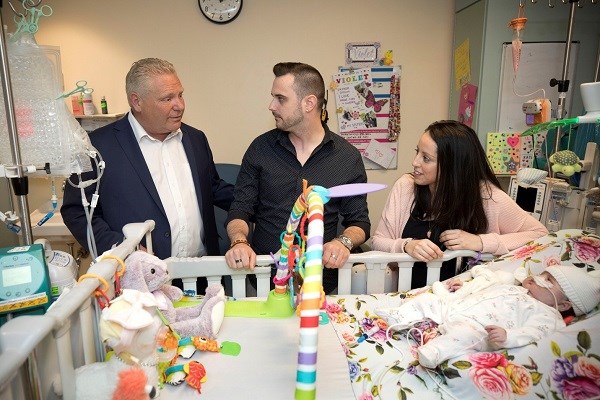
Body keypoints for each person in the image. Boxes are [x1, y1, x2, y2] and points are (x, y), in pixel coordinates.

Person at [61, 58, 234, 263]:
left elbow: (212, 188)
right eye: (167, 98)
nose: (179, 105)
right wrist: (122, 250)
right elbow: (78, 212)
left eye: (180, 95)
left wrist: (265, 200)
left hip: (202, 273)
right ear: (137, 101)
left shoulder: (195, 139)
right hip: (139, 279)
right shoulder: (97, 147)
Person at [224, 62, 371, 294]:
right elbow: (240, 211)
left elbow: (359, 223)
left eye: (280, 99)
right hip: (264, 280)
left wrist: (343, 243)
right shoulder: (260, 149)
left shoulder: (346, 157)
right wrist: (239, 241)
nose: (271, 106)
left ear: (309, 103)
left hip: (322, 283)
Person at [371, 120, 548, 288]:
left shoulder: (488, 197)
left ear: (452, 166)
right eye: (417, 152)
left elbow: (541, 235)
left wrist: (479, 241)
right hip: (406, 296)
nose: (415, 162)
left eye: (426, 158)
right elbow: (378, 242)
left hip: (461, 302)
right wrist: (406, 245)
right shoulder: (406, 187)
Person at [375, 265, 600, 369]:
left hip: (476, 326)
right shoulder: (515, 286)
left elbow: (533, 334)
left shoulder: (547, 314)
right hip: (457, 306)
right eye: (542, 274)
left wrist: (508, 336)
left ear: (563, 304)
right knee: (428, 301)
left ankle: (435, 351)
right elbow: (486, 286)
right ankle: (399, 316)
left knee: (465, 336)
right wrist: (465, 286)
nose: (537, 279)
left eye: (549, 281)